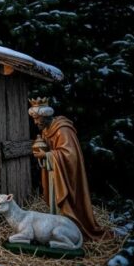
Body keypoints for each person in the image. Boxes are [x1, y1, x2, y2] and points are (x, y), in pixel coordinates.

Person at [29, 98, 105, 241]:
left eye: (37, 119)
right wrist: (43, 153)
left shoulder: (62, 130)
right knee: (54, 203)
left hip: (66, 177)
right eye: (34, 119)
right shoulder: (46, 130)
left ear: (45, 117)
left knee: (64, 204)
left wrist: (47, 155)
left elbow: (70, 155)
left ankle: (70, 229)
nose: (35, 123)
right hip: (55, 174)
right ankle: (56, 228)